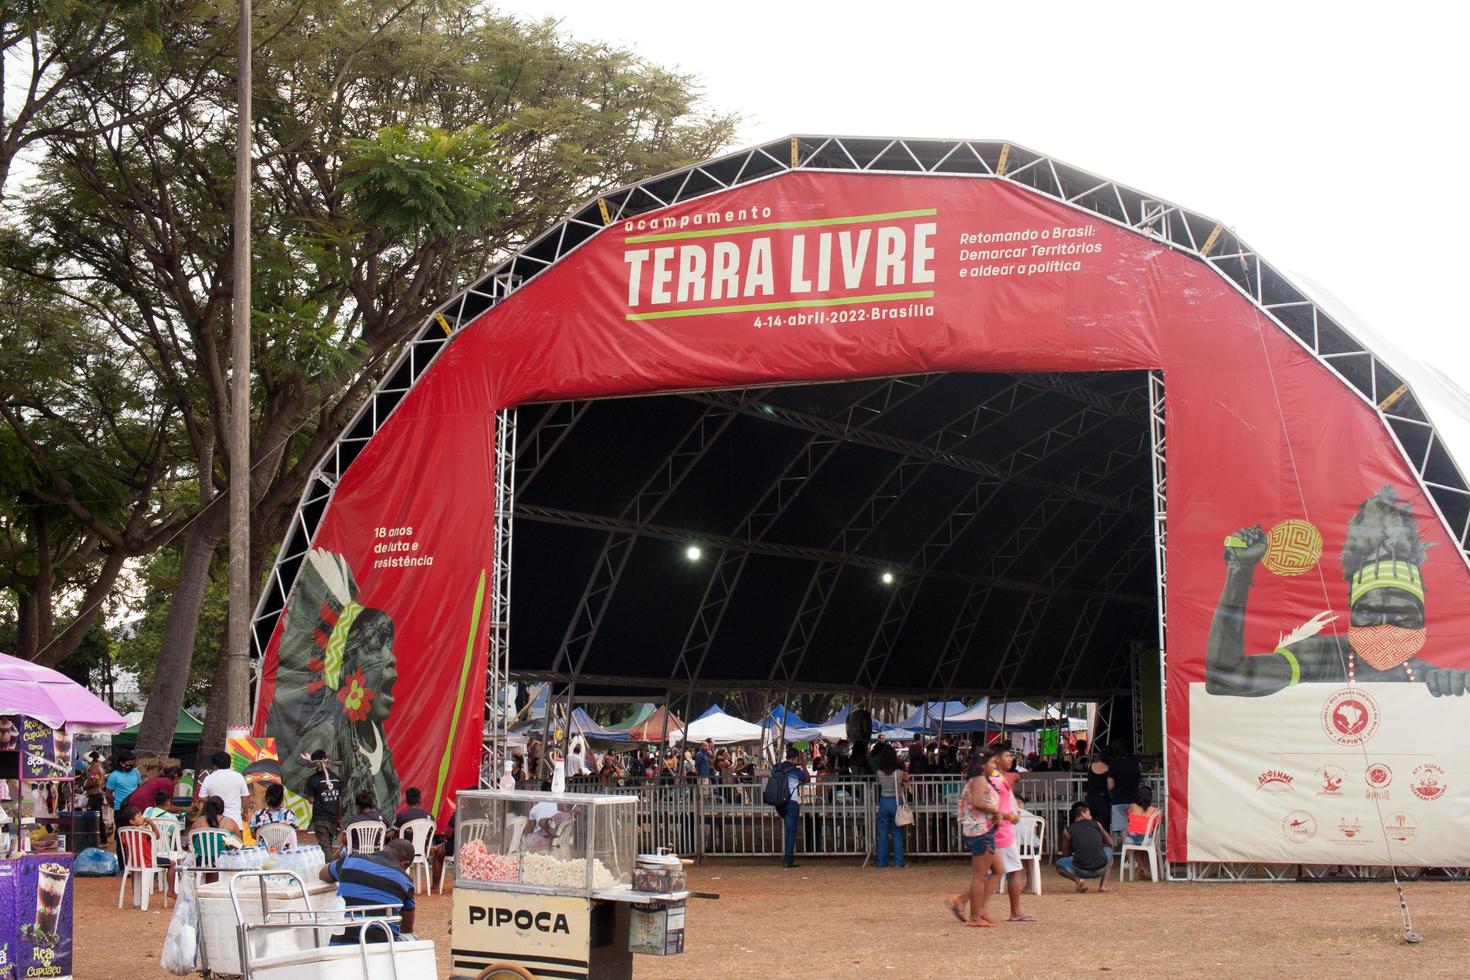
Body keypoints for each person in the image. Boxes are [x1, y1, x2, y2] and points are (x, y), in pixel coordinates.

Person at [1208, 487, 1470, 696]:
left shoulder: (1429, 680)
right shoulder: (1322, 656)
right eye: (1370, 612)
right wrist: (1238, 571)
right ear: (1352, 610)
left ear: (1421, 621)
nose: (1384, 627)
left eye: (1402, 615)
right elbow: (1226, 679)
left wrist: (1459, 689)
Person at [319, 838, 416, 944]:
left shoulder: (350, 860)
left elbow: (323, 874)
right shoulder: (405, 880)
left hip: (341, 944)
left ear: (384, 849)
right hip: (384, 948)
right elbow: (407, 929)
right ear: (405, 864)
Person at [948, 748, 1004, 927]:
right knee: (980, 876)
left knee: (998, 870)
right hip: (981, 831)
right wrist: (995, 811)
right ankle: (974, 916)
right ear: (983, 764)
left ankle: (972, 906)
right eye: (992, 763)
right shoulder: (979, 779)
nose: (994, 767)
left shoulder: (977, 779)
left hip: (980, 830)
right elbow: (979, 802)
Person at [987, 745, 1034, 922]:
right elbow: (993, 806)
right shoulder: (995, 780)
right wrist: (1010, 816)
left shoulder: (997, 778)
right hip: (1002, 831)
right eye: (1007, 756)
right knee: (1012, 871)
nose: (1010, 759)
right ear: (996, 759)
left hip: (1003, 829)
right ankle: (1015, 912)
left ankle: (968, 904)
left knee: (994, 872)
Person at [1057, 801, 1113, 892]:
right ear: (1082, 813)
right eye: (1089, 813)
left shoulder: (1067, 831)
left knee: (1059, 863)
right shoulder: (1097, 824)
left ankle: (1077, 880)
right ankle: (1103, 885)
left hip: (1080, 869)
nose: (1091, 815)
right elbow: (1110, 843)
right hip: (1101, 868)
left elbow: (1065, 855)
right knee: (1109, 851)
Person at [769, 745, 808, 868]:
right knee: (791, 832)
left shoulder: (776, 767)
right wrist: (804, 765)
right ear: (796, 758)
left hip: (778, 802)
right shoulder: (796, 771)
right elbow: (806, 778)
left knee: (785, 828)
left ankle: (784, 853)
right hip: (792, 803)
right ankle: (788, 859)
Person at [873, 743, 909, 869]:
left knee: (882, 832)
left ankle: (881, 862)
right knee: (897, 832)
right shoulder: (899, 773)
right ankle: (899, 862)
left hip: (883, 801)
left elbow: (878, 781)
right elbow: (907, 779)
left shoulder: (879, 773)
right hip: (896, 803)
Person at [305, 750, 344, 855]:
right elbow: (340, 801)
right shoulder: (336, 778)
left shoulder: (312, 780)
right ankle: (330, 868)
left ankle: (328, 869)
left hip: (320, 820)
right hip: (334, 819)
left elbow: (311, 800)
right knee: (329, 847)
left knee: (325, 850)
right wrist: (340, 818)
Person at [199, 751, 250, 829]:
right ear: (229, 764)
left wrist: (213, 801)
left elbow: (202, 797)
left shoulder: (209, 778)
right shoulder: (238, 776)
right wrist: (245, 813)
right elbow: (246, 797)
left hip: (214, 822)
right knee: (237, 841)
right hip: (235, 822)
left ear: (215, 765)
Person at [1124, 787, 1161, 881]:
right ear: (1150, 797)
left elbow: (1128, 817)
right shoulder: (1155, 811)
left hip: (1130, 838)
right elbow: (1158, 824)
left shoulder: (1132, 806)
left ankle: (1142, 867)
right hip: (1147, 839)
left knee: (1136, 848)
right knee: (1144, 847)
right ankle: (1144, 868)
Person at [1108, 750, 1141, 837]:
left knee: (1123, 829)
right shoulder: (1135, 764)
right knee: (1136, 827)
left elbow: (1110, 785)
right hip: (1134, 800)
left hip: (1119, 800)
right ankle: (1137, 848)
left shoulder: (1114, 765)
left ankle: (1127, 849)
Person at [1084, 752, 1111, 835]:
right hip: (1103, 799)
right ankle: (1104, 845)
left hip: (1090, 798)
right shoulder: (1108, 768)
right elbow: (1110, 785)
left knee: (1091, 823)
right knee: (1104, 825)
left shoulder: (1090, 766)